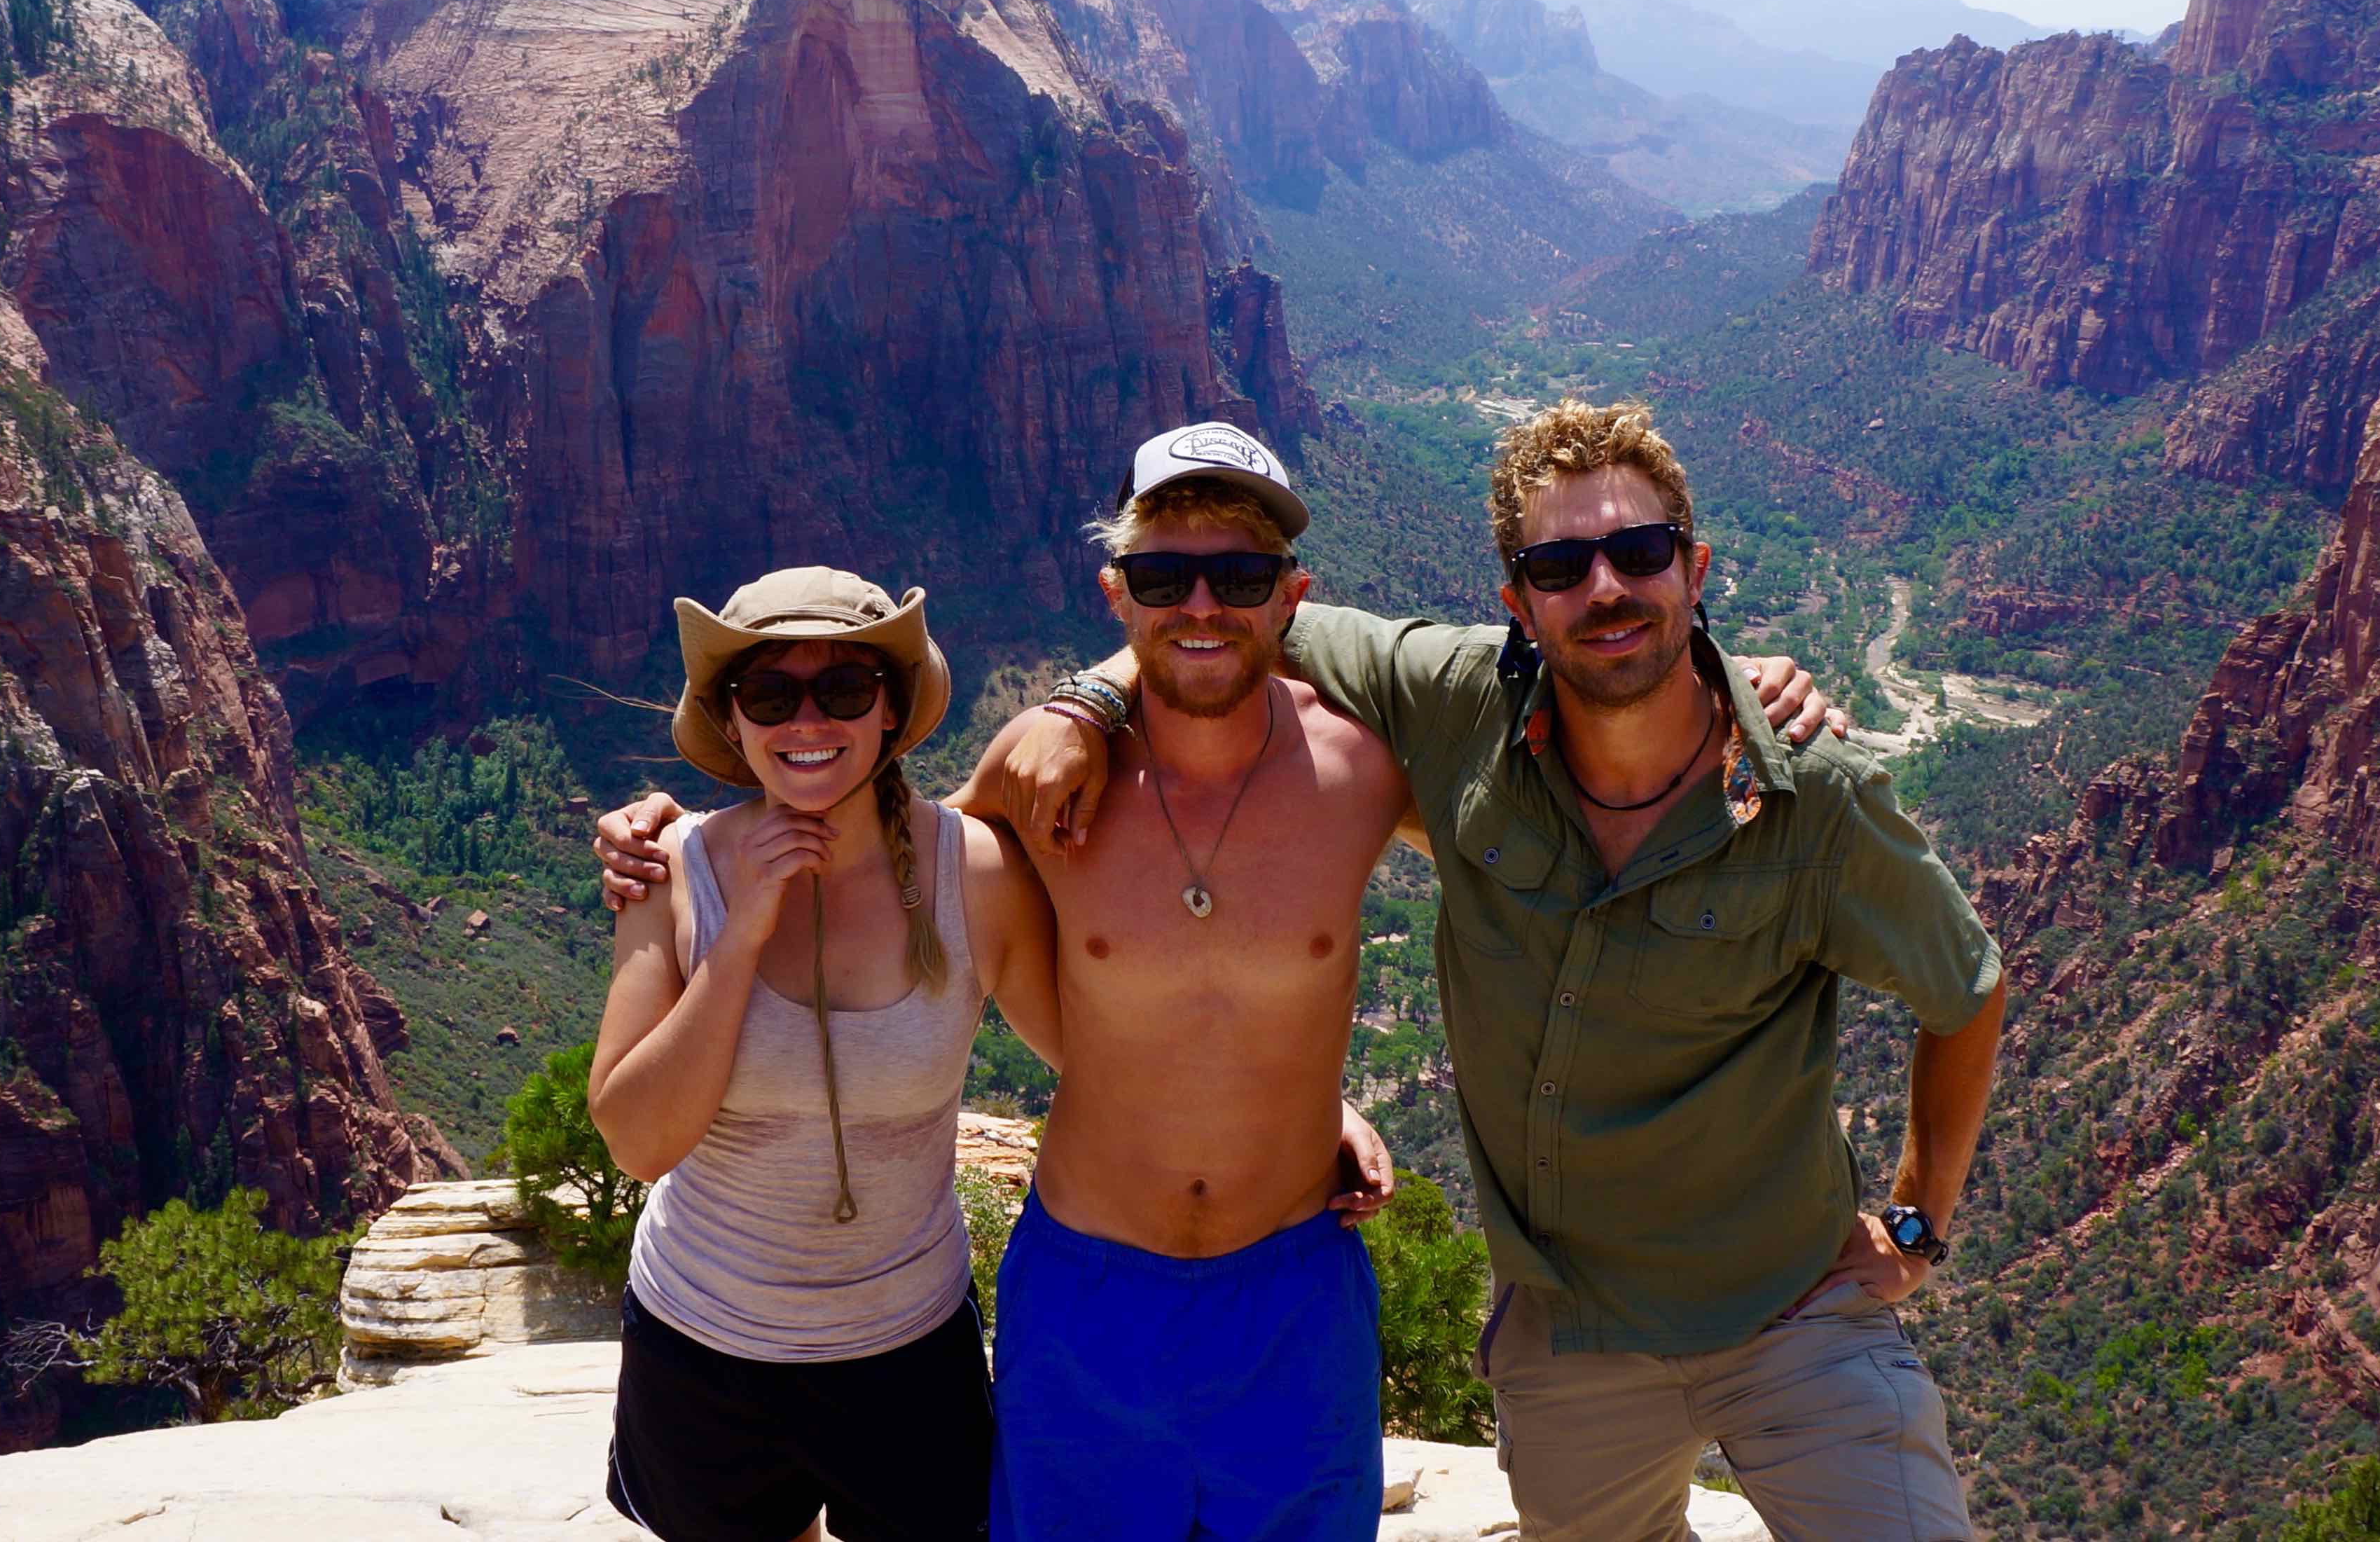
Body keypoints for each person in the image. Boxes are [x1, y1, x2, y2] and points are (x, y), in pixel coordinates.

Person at [593, 425, 1839, 1542]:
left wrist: (1729, 681)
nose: (1201, 605)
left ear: (1291, 596)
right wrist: (675, 851)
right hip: (1086, 1288)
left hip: (1294, 1287)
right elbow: (868, 831)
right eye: (1162, 577)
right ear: (1115, 595)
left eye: (1238, 577)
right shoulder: (1032, 781)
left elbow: (1582, 766)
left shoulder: (1366, 772)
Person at [989, 402, 2007, 1542]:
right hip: (1570, 1338)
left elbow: (1965, 992)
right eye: (1562, 564)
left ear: (1696, 567)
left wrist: (1917, 1226)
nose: (1607, 588)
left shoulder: (1815, 794)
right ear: (1518, 601)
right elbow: (1202, 631)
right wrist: (1084, 700)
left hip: (1793, 1308)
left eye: (1641, 552)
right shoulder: (1455, 703)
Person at [583, 567, 1061, 1542]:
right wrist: (741, 934)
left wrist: (1313, 1113)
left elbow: (1098, 1061)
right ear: (732, 719)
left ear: (890, 712)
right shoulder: (669, 873)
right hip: (701, 1341)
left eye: (845, 690)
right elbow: (637, 1140)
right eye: (771, 694)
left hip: (905, 1342)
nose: (809, 721)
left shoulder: (975, 875)